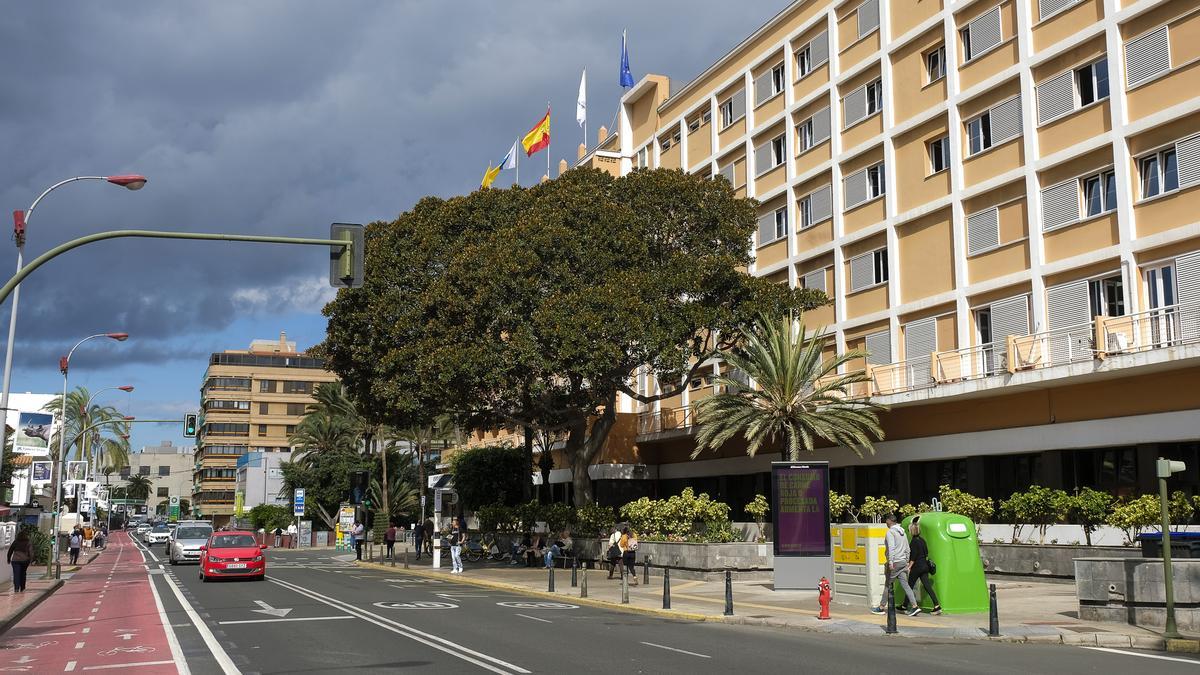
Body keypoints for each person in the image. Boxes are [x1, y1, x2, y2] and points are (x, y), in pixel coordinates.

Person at [872, 513, 919, 616]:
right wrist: (906, 561)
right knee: (906, 585)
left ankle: (881, 607)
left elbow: (891, 547)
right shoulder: (903, 533)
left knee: (887, 585)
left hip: (895, 562)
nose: (885, 523)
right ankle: (915, 606)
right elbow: (907, 549)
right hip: (902, 562)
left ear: (889, 521)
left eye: (886, 521)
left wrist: (891, 562)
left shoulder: (890, 533)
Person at [908, 521, 942, 615]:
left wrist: (909, 566)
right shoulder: (922, 540)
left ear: (911, 531)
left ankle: (905, 606)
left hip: (917, 567)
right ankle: (937, 606)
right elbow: (926, 553)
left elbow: (913, 556)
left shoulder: (914, 541)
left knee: (909, 586)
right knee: (928, 587)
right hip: (924, 566)